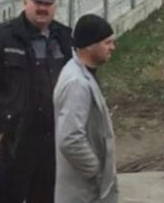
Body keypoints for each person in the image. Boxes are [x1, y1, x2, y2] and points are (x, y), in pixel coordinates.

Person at [0, 0, 73, 203]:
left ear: (55, 6)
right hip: (16, 139)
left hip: (54, 138)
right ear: (25, 2)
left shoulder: (65, 38)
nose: (42, 8)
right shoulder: (2, 39)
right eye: (36, 1)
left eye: (47, 3)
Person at [54, 14, 118, 203]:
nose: (112, 47)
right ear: (90, 45)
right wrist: (96, 171)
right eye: (107, 42)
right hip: (83, 191)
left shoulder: (81, 73)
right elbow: (70, 139)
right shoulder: (77, 83)